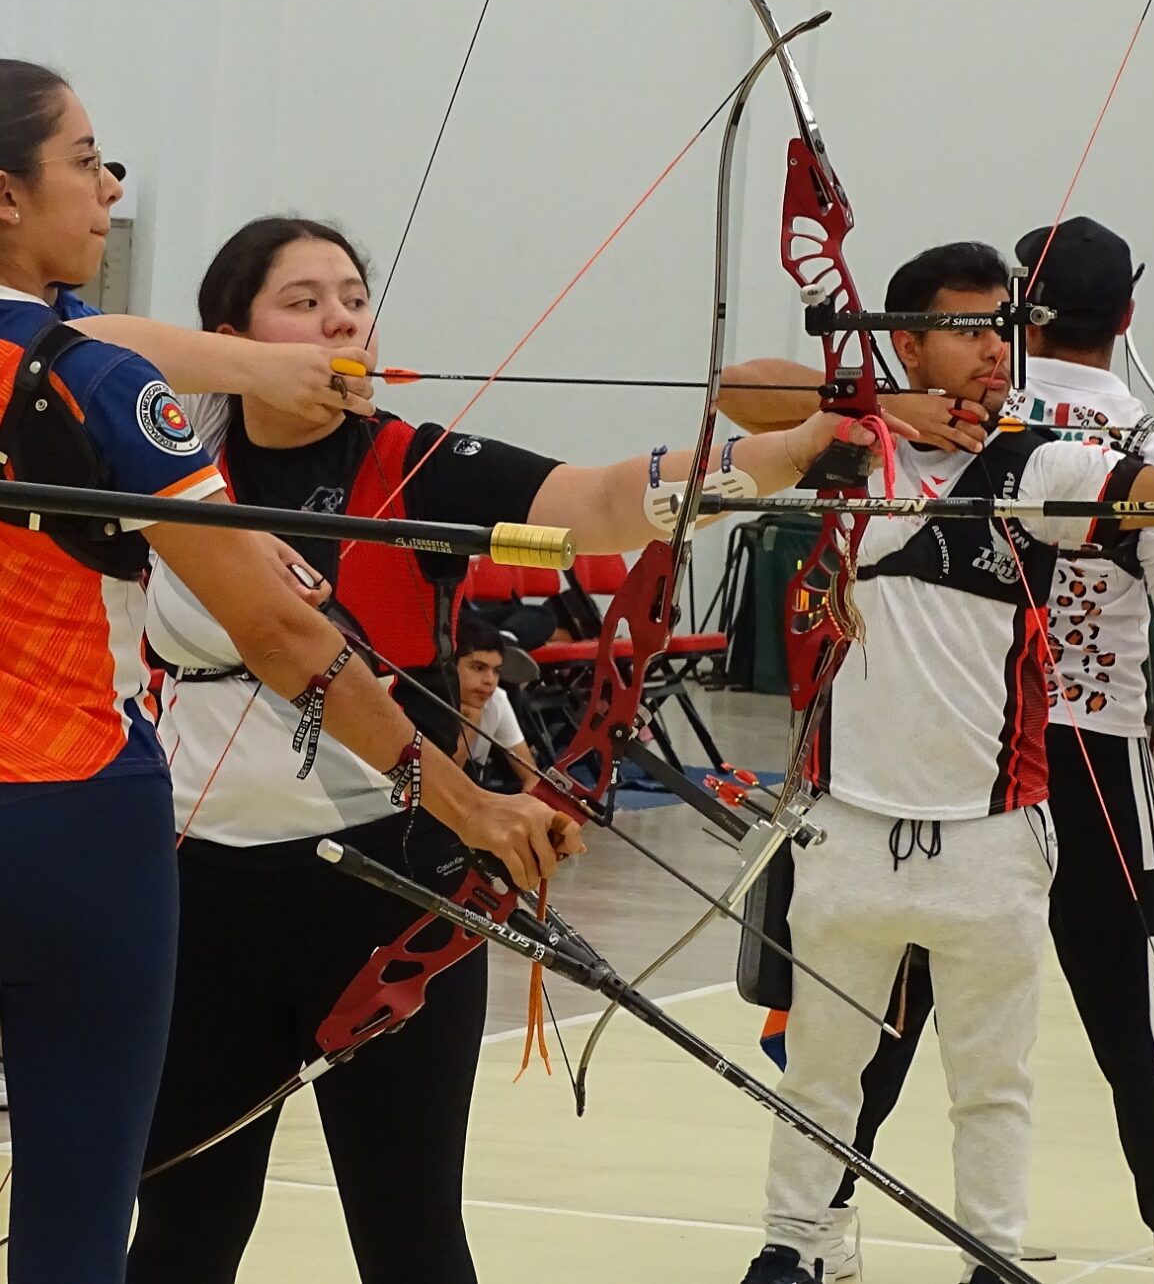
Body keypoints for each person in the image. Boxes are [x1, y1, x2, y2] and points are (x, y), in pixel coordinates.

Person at [0, 58, 573, 1284]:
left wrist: (253, 368)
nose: (109, 187)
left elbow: (55, 342)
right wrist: (467, 801)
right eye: (85, 160)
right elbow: (280, 633)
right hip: (72, 825)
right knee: (76, 1229)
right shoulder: (104, 390)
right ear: (3, 194)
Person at [127, 212, 852, 1284]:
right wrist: (247, 371)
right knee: (182, 1235)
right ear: (232, 333)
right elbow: (86, 343)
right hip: (199, 896)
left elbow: (605, 499)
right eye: (303, 300)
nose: (340, 319)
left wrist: (790, 450)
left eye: (352, 298)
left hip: (389, 891)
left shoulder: (412, 460)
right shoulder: (165, 451)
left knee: (411, 1238)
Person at [712, 239, 1154, 1284]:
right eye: (966, 329)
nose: (992, 348)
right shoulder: (866, 436)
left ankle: (1096, 1242)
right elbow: (739, 395)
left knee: (997, 1053)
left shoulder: (1040, 447)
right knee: (862, 1041)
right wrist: (876, 407)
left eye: (1003, 326)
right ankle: (812, 1235)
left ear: (1033, 321)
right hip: (924, 790)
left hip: (1024, 776)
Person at [454, 616, 534, 791]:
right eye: (478, 668)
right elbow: (442, 785)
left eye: (496, 671)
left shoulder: (496, 699)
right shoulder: (425, 702)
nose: (490, 680)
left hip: (474, 797)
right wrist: (470, 727)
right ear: (450, 666)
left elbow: (531, 776)